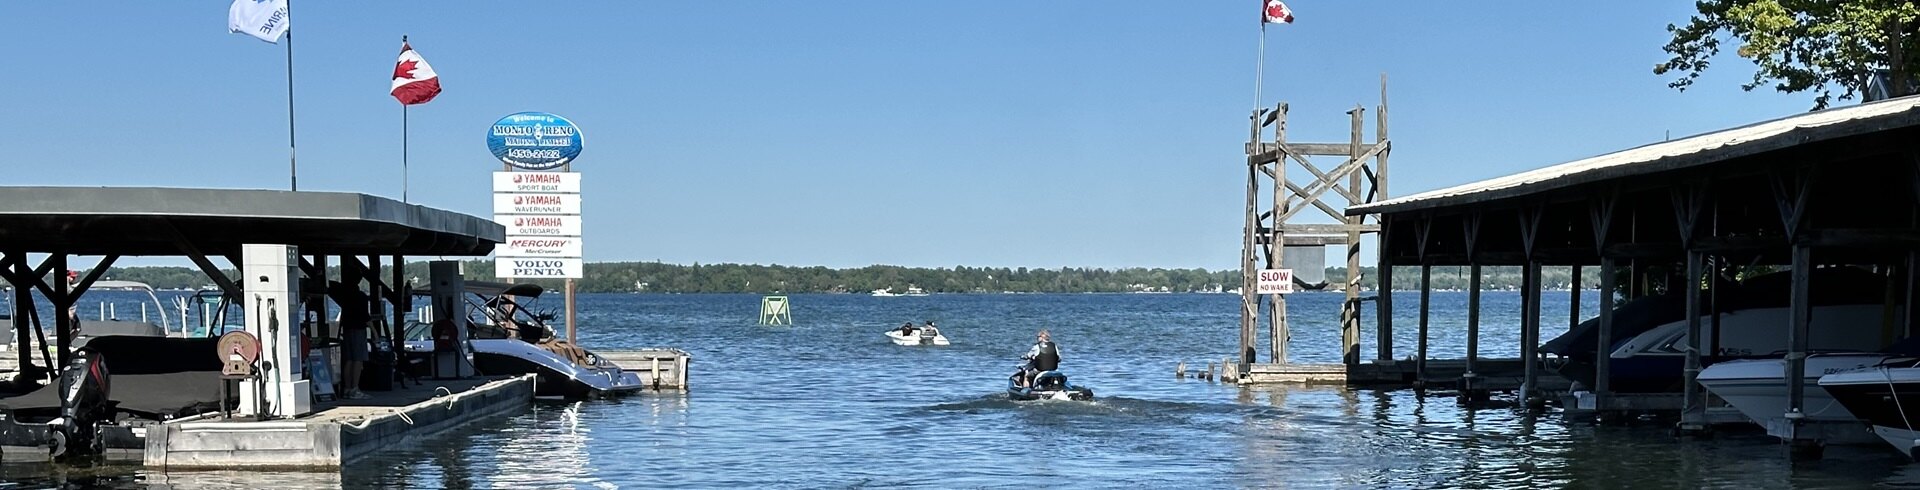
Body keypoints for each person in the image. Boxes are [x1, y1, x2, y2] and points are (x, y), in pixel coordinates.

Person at [326, 281, 374, 400]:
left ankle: (347, 388)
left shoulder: (345, 297)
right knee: (358, 360)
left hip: (347, 329)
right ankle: (355, 388)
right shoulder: (361, 297)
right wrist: (375, 332)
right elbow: (365, 316)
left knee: (348, 360)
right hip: (358, 329)